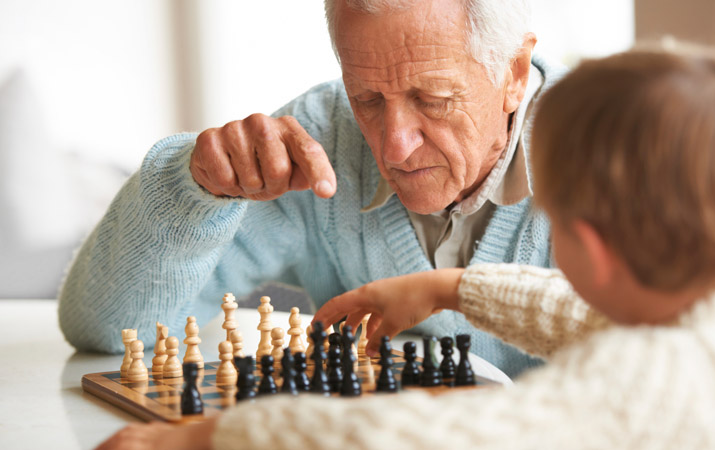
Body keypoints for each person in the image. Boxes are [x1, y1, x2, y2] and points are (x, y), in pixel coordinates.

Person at [95, 48, 715, 450]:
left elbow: (420, 438)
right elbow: (574, 313)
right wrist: (448, 289)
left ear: (586, 246)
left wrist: (197, 441)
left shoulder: (625, 388)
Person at [58, 0, 564, 377]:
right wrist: (189, 189)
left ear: (514, 74)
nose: (393, 147)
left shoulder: (614, 156)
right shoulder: (320, 136)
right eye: (366, 98)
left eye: (431, 99)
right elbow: (105, 331)